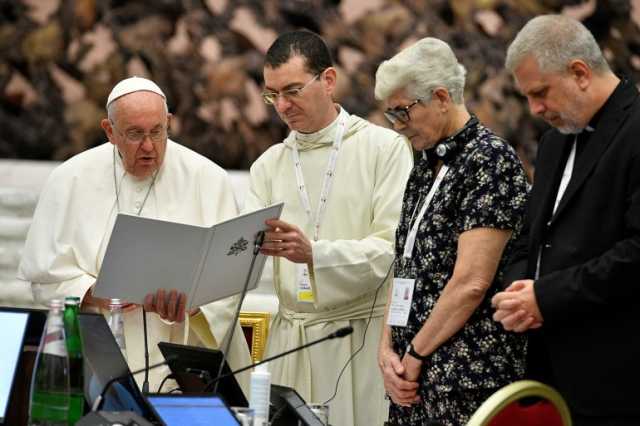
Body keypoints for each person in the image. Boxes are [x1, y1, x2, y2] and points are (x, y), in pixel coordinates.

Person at [18, 76, 252, 391]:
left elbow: (232, 278)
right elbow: (43, 278)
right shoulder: (69, 179)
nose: (148, 146)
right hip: (98, 354)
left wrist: (195, 303)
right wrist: (93, 292)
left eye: (157, 131)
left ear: (169, 122)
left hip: (185, 362)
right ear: (109, 131)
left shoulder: (207, 178)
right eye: (135, 134)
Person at [244, 30, 412, 426]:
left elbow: (394, 251)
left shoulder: (384, 150)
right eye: (272, 95)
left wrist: (315, 254)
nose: (282, 106)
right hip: (292, 342)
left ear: (329, 80)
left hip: (357, 340)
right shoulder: (267, 165)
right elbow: (247, 259)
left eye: (293, 90)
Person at [492, 14, 640, 426]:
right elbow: (529, 238)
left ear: (579, 72)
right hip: (548, 372)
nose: (535, 109)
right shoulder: (554, 142)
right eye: (526, 96)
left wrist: (546, 297)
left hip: (619, 379)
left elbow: (636, 253)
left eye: (540, 93)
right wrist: (517, 291)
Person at [374, 37, 529, 425]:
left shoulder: (489, 160)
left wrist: (416, 354)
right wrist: (386, 346)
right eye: (391, 116)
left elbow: (472, 282)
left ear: (441, 97)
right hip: (413, 374)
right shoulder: (425, 163)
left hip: (464, 374)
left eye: (403, 112)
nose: (398, 127)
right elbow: (404, 261)